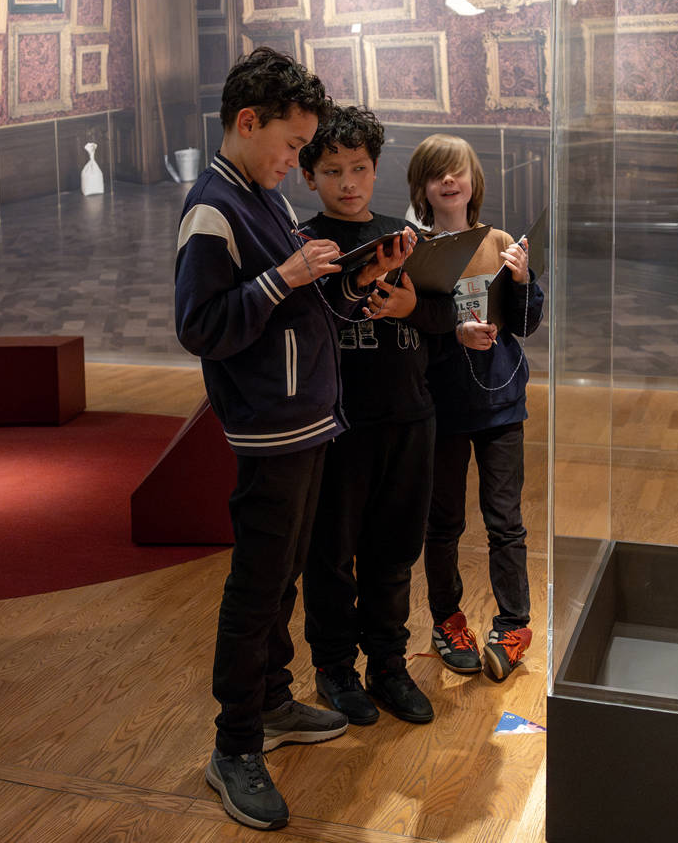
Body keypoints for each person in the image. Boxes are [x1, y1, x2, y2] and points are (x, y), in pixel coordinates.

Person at [174, 48, 409, 831]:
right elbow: (201, 326)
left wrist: (357, 280)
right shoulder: (215, 206)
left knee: (283, 581)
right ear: (248, 124)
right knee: (256, 587)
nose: (296, 160)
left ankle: (272, 702)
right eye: (289, 145)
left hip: (309, 420)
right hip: (270, 430)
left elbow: (300, 306)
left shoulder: (262, 193)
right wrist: (287, 279)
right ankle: (234, 744)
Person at [297, 106, 456, 726]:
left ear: (375, 167)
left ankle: (388, 665)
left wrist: (413, 307)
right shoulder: (303, 244)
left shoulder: (406, 236)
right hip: (337, 427)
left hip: (410, 418)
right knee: (332, 555)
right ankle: (335, 669)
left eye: (359, 168)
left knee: (394, 551)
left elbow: (447, 321)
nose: (348, 182)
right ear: (309, 175)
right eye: (332, 170)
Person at [407, 134, 544, 681]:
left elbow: (528, 325)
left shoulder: (501, 241)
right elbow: (410, 327)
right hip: (439, 405)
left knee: (505, 521)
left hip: (501, 402)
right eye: (437, 173)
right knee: (442, 523)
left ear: (473, 181)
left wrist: (523, 280)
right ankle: (447, 622)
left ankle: (513, 625)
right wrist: (451, 330)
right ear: (421, 186)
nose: (448, 181)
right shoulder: (412, 249)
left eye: (457, 171)